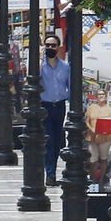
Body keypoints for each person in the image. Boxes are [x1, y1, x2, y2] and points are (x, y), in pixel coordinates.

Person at [39, 34, 69, 184]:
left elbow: (70, 86)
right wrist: (39, 60)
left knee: (57, 140)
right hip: (45, 106)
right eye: (47, 45)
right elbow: (32, 80)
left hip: (60, 106)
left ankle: (52, 170)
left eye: (53, 45)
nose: (50, 48)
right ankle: (49, 173)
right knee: (48, 140)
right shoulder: (40, 65)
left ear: (58, 47)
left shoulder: (65, 67)